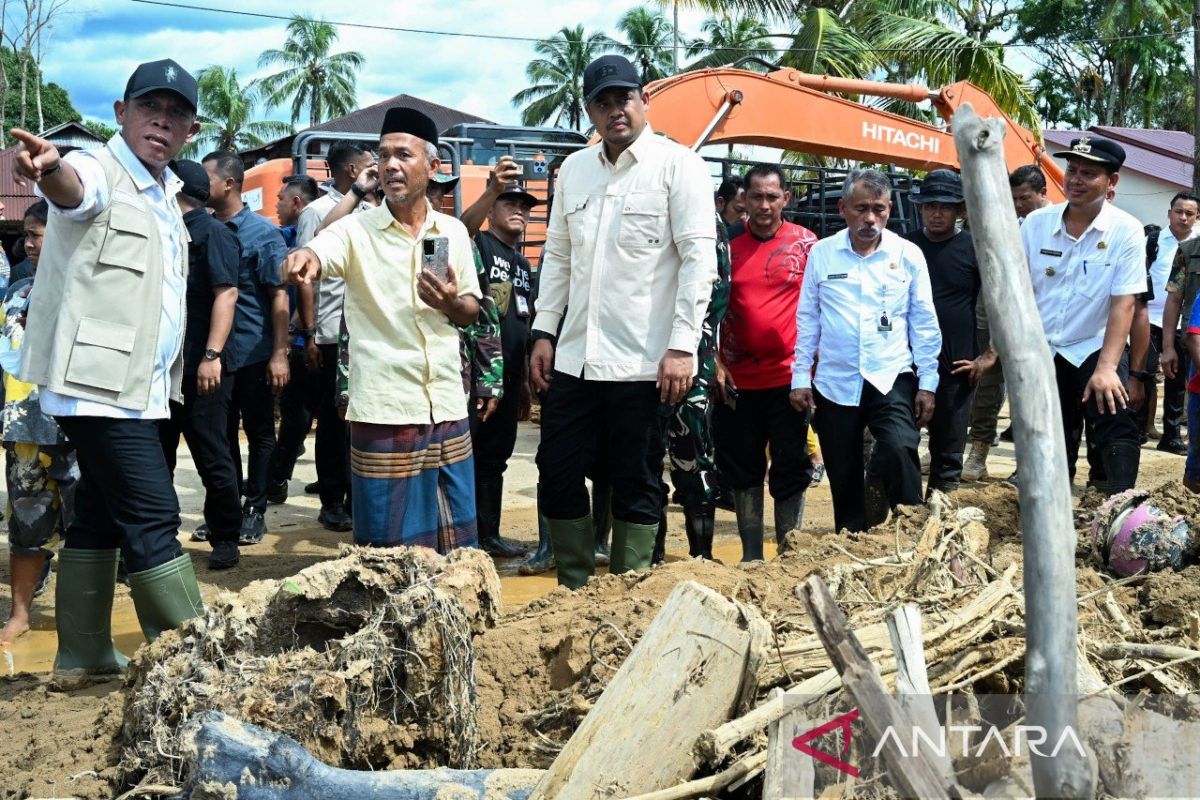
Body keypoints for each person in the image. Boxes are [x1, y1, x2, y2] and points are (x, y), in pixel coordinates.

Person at [12, 59, 206, 676]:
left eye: (176, 114)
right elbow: (74, 187)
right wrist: (52, 172)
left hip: (136, 389)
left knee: (98, 512)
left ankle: (82, 653)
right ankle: (197, 670)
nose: (162, 120)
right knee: (154, 515)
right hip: (96, 387)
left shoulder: (167, 192)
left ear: (190, 133)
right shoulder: (101, 167)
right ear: (120, 115)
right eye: (150, 107)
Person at [529, 55, 717, 587]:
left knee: (635, 477)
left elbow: (699, 262)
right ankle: (575, 585)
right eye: (603, 102)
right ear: (590, 110)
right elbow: (559, 258)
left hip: (643, 361)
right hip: (574, 359)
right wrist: (544, 332)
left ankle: (628, 590)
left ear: (645, 101)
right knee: (557, 469)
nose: (615, 111)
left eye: (624, 99)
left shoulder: (679, 167)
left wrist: (682, 347)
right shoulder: (574, 171)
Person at [283, 107, 482, 552]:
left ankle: (450, 619)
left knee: (456, 544)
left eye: (403, 155)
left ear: (432, 167)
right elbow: (321, 250)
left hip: (446, 403)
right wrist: (306, 259)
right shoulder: (356, 230)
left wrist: (450, 302)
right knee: (385, 548)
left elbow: (471, 309)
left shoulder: (449, 231)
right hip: (385, 409)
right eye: (384, 155)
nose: (390, 165)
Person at [790, 169, 941, 533]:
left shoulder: (908, 254)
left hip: (891, 374)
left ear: (889, 209)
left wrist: (928, 382)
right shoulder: (823, 254)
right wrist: (800, 375)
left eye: (879, 209)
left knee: (900, 447)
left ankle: (911, 533)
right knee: (842, 470)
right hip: (835, 380)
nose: (870, 218)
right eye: (861, 209)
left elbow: (923, 320)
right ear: (843, 208)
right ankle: (851, 538)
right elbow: (808, 318)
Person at [1020, 137, 1145, 494]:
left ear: (1111, 182)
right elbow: (1021, 291)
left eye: (1088, 173)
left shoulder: (1126, 230)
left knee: (1114, 418)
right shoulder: (1035, 225)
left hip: (1094, 346)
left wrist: (1108, 368)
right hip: (1043, 348)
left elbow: (1124, 302)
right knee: (1050, 436)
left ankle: (1113, 504)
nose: (1074, 179)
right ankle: (1049, 513)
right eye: (1072, 170)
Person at [715, 163, 816, 560]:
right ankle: (752, 555)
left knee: (791, 466)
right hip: (737, 382)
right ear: (744, 200)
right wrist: (714, 361)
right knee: (743, 468)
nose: (763, 205)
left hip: (789, 381)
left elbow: (820, 308)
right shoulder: (725, 246)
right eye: (755, 196)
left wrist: (809, 370)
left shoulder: (807, 244)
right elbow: (707, 309)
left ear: (785, 199)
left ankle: (790, 553)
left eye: (772, 197)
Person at [0, 200, 79, 647]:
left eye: (37, 234)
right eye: (26, 235)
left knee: (85, 524)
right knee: (26, 523)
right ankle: (21, 614)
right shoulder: (18, 291)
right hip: (25, 428)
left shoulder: (85, 285)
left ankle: (80, 617)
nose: (28, 243)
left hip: (79, 426)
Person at [157, 160, 242, 569]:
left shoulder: (216, 235)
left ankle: (226, 538)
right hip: (162, 368)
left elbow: (227, 295)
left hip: (201, 368)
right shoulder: (165, 232)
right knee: (158, 457)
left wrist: (211, 356)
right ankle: (160, 541)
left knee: (212, 454)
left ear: (175, 190)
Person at [203, 151, 290, 544]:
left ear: (229, 184)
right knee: (219, 435)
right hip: (214, 354)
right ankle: (226, 509)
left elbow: (279, 298)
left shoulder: (263, 233)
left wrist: (279, 353)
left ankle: (255, 508)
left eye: (206, 178)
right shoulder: (200, 229)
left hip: (253, 351)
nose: (198, 186)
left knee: (258, 431)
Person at [288, 142, 375, 512]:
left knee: (360, 419)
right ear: (354, 171)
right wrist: (307, 334)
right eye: (372, 164)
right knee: (332, 421)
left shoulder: (375, 211)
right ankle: (331, 500)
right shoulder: (318, 211)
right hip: (326, 332)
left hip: (361, 333)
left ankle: (356, 496)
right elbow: (305, 274)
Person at [457, 179, 540, 557]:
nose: (519, 210)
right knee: (466, 453)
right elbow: (461, 229)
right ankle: (463, 536)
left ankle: (489, 535)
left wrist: (522, 380)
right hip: (477, 373)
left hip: (508, 375)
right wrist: (490, 190)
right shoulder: (479, 244)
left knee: (496, 457)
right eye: (510, 203)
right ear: (491, 210)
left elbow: (522, 321)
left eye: (525, 205)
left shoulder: (524, 263)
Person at [904, 170, 995, 495]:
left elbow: (1003, 305)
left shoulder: (975, 249)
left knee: (948, 453)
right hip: (906, 363)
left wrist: (989, 356)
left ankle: (938, 521)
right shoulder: (905, 247)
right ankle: (906, 513)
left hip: (957, 366)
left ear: (961, 211)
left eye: (944, 206)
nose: (936, 213)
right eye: (929, 206)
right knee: (900, 445)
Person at [963, 165, 1054, 478]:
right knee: (986, 385)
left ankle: (1028, 465)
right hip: (993, 314)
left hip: (1037, 325)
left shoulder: (1056, 224)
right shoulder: (1004, 222)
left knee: (1028, 395)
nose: (1017, 204)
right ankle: (978, 453)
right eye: (1012, 198)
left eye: (1024, 198)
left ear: (1043, 194)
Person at [1135, 192, 1198, 454]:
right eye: (1178, 212)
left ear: (1196, 217)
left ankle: (1171, 435)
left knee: (1177, 380)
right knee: (1144, 373)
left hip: (1185, 323)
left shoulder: (1194, 245)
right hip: (1149, 319)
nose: (1183, 218)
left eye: (1189, 213)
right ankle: (1137, 429)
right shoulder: (1153, 241)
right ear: (1169, 213)